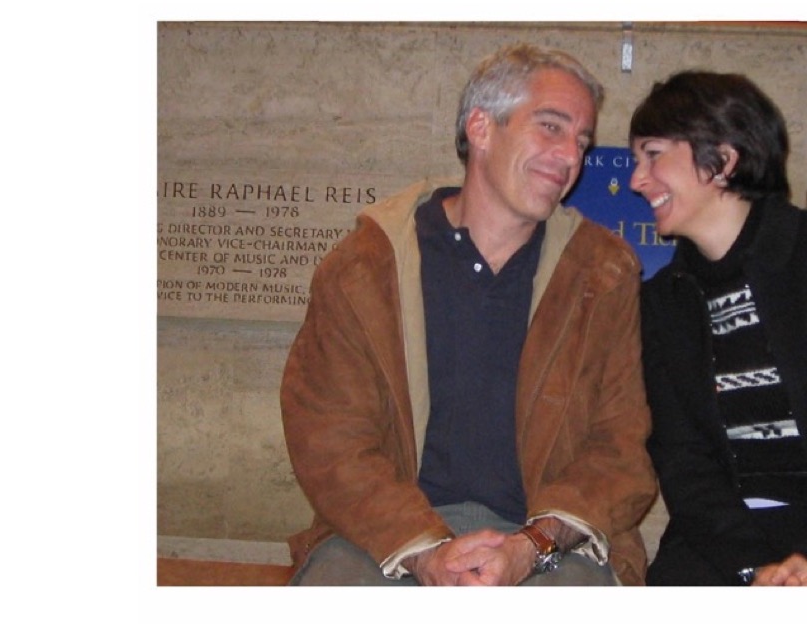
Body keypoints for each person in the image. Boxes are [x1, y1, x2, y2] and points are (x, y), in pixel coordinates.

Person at [280, 43, 656, 586]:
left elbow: (620, 452)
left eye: (581, 140)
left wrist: (530, 546)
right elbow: (331, 438)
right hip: (388, 538)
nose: (570, 156)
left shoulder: (603, 273)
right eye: (550, 127)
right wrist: (426, 551)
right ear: (480, 127)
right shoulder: (366, 267)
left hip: (551, 541)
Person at [628, 70, 807, 586]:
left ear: (722, 159)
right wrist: (754, 567)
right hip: (721, 550)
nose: (635, 180)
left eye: (653, 154)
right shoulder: (662, 301)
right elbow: (682, 461)